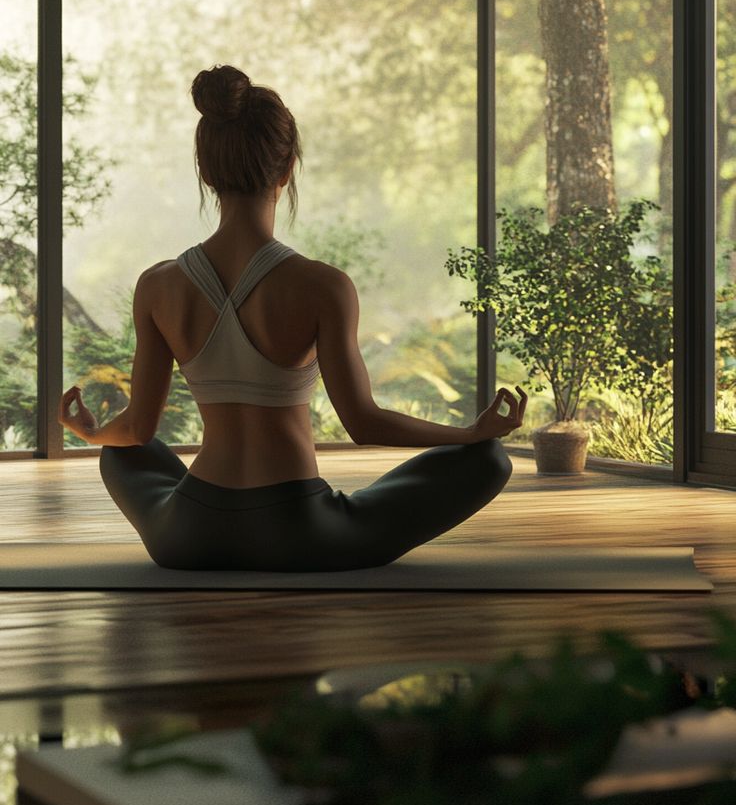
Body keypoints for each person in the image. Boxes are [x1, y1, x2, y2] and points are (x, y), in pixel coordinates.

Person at [58, 64, 527, 571]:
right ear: (286, 171)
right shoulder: (323, 286)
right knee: (487, 462)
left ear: (206, 172)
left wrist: (90, 432)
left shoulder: (158, 284)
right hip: (301, 534)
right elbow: (363, 423)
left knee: (121, 451)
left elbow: (138, 429)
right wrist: (471, 434)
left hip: (187, 534)